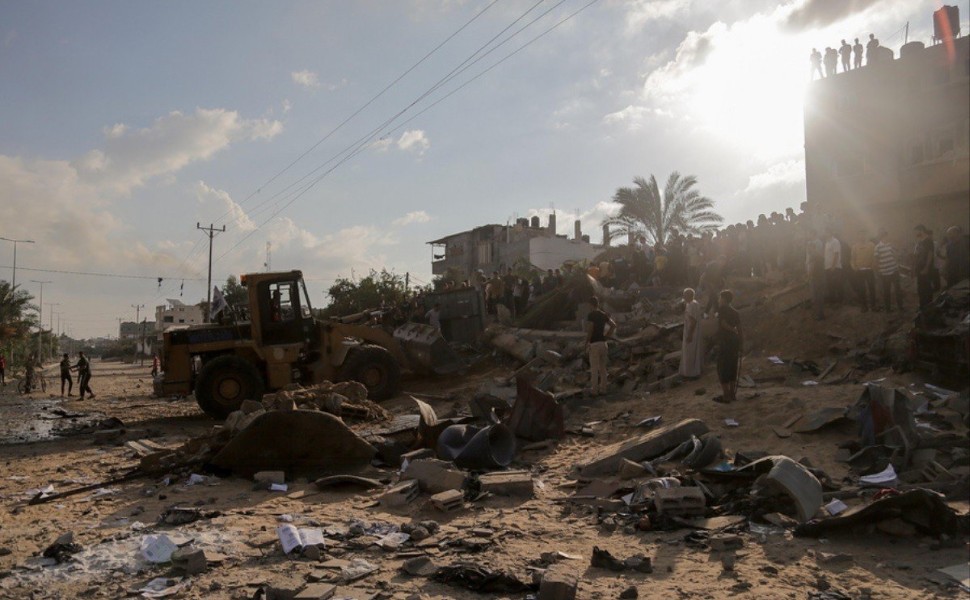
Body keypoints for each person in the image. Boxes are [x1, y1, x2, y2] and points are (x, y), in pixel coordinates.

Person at [584, 296, 616, 397]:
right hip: (603, 343)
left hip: (594, 344)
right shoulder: (603, 314)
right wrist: (607, 336)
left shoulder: (591, 315)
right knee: (603, 368)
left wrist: (586, 343)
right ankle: (603, 390)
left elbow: (590, 330)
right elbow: (613, 325)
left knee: (594, 369)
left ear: (590, 304)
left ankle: (594, 391)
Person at [715, 290, 742, 404]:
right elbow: (740, 329)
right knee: (732, 366)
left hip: (725, 342)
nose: (718, 300)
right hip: (735, 342)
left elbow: (723, 323)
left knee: (722, 368)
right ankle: (732, 393)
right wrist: (741, 342)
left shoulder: (722, 309)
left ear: (724, 299)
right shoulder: (735, 312)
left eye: (720, 298)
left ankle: (726, 394)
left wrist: (732, 329)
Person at [874, 230, 903, 312]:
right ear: (882, 237)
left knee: (898, 290)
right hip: (885, 273)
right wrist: (878, 271)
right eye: (886, 236)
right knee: (887, 291)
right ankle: (888, 309)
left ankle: (900, 307)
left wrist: (896, 262)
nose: (887, 238)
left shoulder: (891, 245)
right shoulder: (877, 247)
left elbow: (896, 255)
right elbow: (876, 260)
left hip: (894, 271)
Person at [679, 288, 704, 379]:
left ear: (688, 296)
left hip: (691, 332)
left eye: (685, 295)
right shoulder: (696, 303)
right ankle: (696, 371)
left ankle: (690, 374)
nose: (683, 297)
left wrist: (689, 334)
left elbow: (693, 321)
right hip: (696, 332)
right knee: (695, 352)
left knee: (689, 353)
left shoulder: (690, 305)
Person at [851, 230, 877, 312]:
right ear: (858, 236)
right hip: (859, 271)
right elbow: (852, 259)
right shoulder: (854, 247)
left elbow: (875, 256)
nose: (862, 236)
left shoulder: (872, 245)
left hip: (869, 270)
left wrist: (873, 265)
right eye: (860, 235)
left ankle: (873, 306)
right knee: (861, 289)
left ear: (865, 235)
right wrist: (854, 267)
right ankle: (864, 306)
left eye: (863, 234)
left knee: (872, 288)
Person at [913, 225, 936, 309]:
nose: (915, 233)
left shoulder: (929, 241)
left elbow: (930, 254)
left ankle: (928, 305)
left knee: (927, 288)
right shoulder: (919, 241)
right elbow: (916, 254)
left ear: (921, 230)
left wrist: (926, 267)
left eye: (916, 231)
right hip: (920, 268)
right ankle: (922, 305)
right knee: (921, 288)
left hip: (926, 269)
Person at [806, 228, 826, 320]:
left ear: (812, 234)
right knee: (814, 293)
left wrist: (810, 271)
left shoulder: (817, 243)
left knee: (818, 293)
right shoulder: (810, 243)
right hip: (812, 269)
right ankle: (817, 313)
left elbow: (818, 256)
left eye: (809, 234)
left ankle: (820, 314)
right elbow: (808, 259)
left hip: (816, 270)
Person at [824, 229, 843, 303]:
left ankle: (840, 301)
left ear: (831, 232)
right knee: (830, 286)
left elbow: (836, 254)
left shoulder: (835, 241)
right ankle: (833, 302)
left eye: (827, 232)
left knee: (837, 285)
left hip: (835, 267)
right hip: (827, 267)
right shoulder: (827, 243)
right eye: (825, 232)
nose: (826, 234)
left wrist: (833, 266)